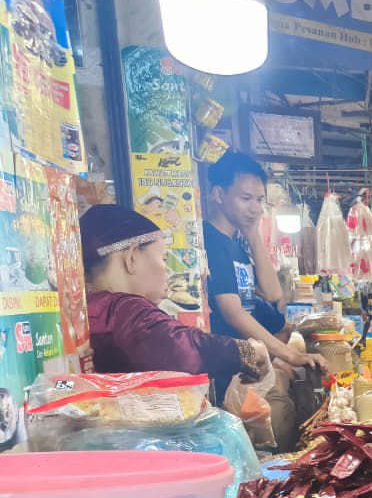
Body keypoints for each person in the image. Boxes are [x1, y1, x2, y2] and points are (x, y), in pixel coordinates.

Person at [81, 204, 270, 383]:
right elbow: (178, 348)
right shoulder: (124, 310)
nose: (167, 271)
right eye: (163, 258)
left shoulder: (85, 311)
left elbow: (67, 385)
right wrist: (246, 351)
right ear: (132, 258)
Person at [203, 152, 322, 372]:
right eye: (246, 198)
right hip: (223, 371)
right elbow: (233, 312)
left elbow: (272, 293)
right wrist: (291, 355)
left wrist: (253, 234)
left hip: (242, 370)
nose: (255, 208)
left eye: (259, 200)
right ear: (219, 194)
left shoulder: (235, 243)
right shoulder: (211, 241)